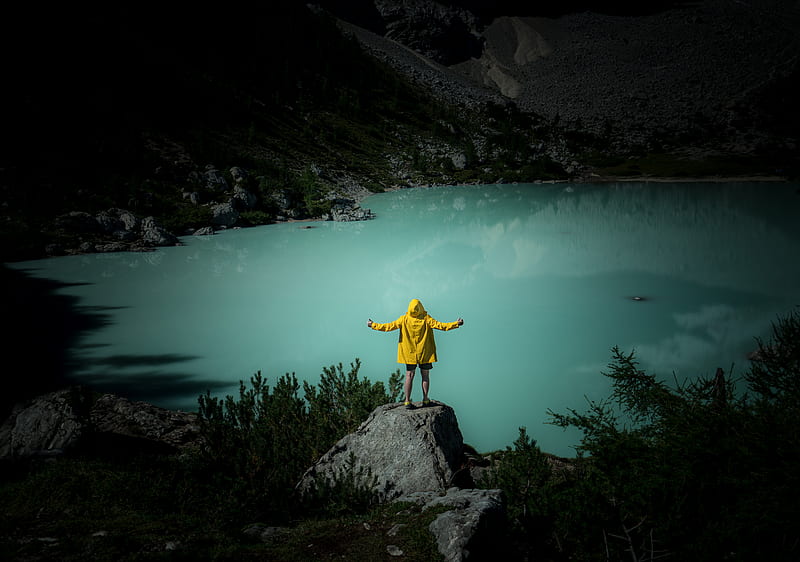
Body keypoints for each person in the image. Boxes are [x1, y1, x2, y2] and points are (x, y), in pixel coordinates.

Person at [367, 298, 464, 409]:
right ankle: (426, 399)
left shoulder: (404, 319)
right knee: (425, 375)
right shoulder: (426, 318)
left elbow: (388, 327)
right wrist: (456, 324)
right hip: (425, 352)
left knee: (409, 375)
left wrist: (372, 324)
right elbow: (441, 326)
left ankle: (407, 401)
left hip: (409, 353)